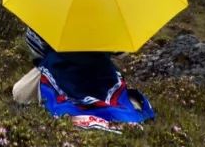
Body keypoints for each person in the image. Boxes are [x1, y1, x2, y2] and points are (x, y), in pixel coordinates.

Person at [14, 28, 154, 131]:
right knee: (123, 101)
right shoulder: (107, 9)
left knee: (19, 92)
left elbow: (36, 45)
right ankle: (123, 112)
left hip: (61, 69)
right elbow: (120, 51)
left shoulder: (51, 5)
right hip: (102, 72)